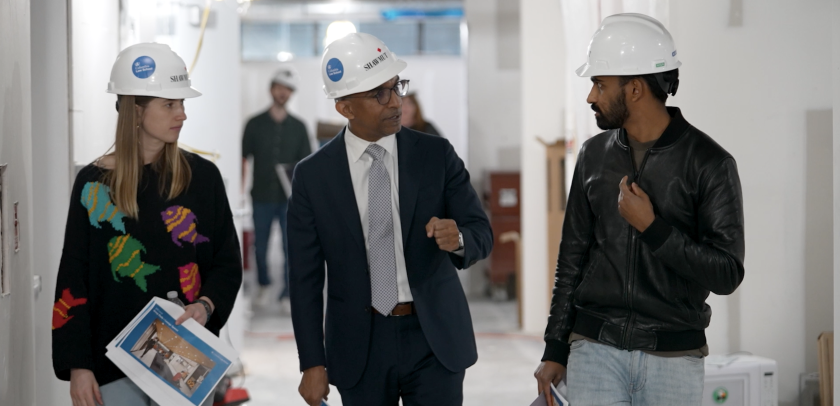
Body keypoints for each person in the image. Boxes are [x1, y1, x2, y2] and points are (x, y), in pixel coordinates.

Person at [534, 13, 745, 406]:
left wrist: (654, 229)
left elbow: (727, 273)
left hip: (674, 358)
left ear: (633, 89)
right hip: (595, 350)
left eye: (599, 83)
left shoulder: (710, 164)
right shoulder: (593, 156)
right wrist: (555, 348)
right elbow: (571, 260)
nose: (590, 96)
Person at [289, 33, 493, 406]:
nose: (396, 101)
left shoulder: (435, 154)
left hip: (434, 338)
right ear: (345, 107)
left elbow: (481, 232)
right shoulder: (313, 176)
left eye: (397, 87)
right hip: (358, 346)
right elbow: (304, 278)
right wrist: (312, 362)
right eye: (380, 94)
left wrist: (459, 238)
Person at [52, 43, 242, 406]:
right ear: (135, 112)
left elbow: (227, 263)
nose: (182, 114)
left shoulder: (203, 178)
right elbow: (73, 277)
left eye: (183, 104)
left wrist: (205, 306)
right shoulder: (94, 185)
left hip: (186, 363)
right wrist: (78, 366)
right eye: (170, 104)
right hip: (111, 367)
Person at [242, 65, 312, 310]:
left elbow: (307, 166)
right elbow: (242, 158)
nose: (283, 93)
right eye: (280, 88)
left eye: (288, 90)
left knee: (289, 247)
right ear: (271, 89)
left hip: (289, 200)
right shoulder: (254, 124)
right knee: (259, 246)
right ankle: (263, 285)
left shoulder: (299, 127)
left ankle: (286, 293)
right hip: (260, 196)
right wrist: (239, 192)